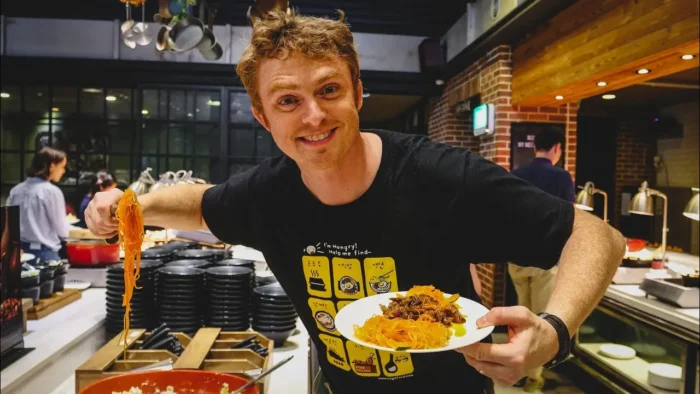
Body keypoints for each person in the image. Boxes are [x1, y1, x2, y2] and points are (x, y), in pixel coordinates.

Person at [85, 9, 626, 394]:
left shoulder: (439, 177)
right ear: (262, 117)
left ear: (357, 92)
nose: (314, 116)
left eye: (328, 91)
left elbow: (598, 235)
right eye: (288, 101)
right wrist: (129, 203)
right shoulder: (268, 194)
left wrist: (554, 332)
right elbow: (199, 204)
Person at [509, 130, 576, 391]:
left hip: (516, 259)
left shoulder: (516, 174)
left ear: (535, 147)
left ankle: (521, 370)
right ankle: (533, 377)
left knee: (521, 316)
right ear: (557, 148)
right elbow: (570, 216)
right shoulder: (561, 177)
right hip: (545, 260)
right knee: (540, 321)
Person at [7, 147, 68, 264]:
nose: (63, 171)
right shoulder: (52, 192)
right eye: (62, 167)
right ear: (52, 166)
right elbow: (61, 229)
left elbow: (8, 224)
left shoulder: (16, 190)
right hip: (45, 254)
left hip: (19, 253)